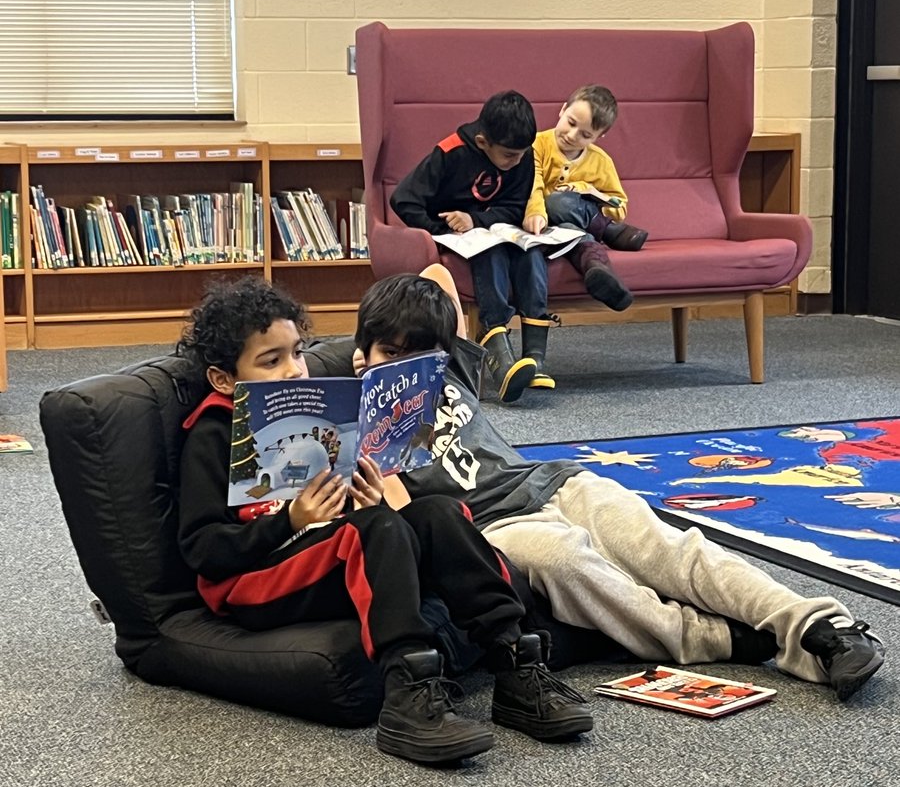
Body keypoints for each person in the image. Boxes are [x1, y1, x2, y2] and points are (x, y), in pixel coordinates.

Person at [306, 268, 885, 703]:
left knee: (667, 548)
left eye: (419, 356)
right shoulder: (348, 418)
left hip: (547, 481)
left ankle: (818, 625)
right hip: (488, 527)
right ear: (364, 352)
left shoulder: (448, 365)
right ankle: (728, 640)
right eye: (389, 353)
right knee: (571, 564)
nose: (404, 365)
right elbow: (405, 520)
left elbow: (435, 279)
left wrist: (415, 340)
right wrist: (348, 374)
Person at [175, 276, 592, 768]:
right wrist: (290, 520)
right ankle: (409, 696)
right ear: (225, 379)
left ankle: (515, 663)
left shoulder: (325, 413)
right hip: (253, 581)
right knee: (374, 528)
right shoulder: (213, 434)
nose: (295, 370)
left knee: (436, 512)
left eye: (298, 352)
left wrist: (366, 499)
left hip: (328, 553)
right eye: (272, 361)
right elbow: (203, 551)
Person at [389, 89, 555, 399]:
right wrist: (442, 228)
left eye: (522, 154)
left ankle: (535, 358)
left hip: (494, 229)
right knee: (488, 252)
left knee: (532, 252)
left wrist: (475, 219)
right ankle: (498, 356)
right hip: (459, 238)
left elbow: (517, 206)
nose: (518, 161)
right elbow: (403, 199)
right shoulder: (450, 152)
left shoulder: (523, 153)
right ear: (483, 143)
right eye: (509, 156)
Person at [525, 85, 648, 318]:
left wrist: (586, 190)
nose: (572, 136)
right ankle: (604, 248)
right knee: (559, 211)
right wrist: (535, 214)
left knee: (563, 208)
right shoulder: (537, 145)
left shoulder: (601, 161)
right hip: (545, 222)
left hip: (573, 217)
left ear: (599, 137)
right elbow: (534, 185)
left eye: (585, 135)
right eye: (571, 123)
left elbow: (619, 205)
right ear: (562, 110)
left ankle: (601, 251)